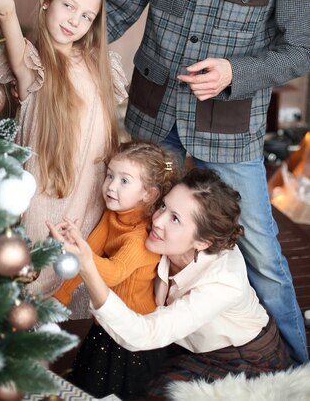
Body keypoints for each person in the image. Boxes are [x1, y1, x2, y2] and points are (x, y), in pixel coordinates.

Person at [104, 0, 310, 365]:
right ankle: (130, 363)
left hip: (231, 125)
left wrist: (235, 73)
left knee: (264, 254)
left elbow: (301, 48)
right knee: (138, 238)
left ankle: (298, 369)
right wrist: (50, 46)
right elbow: (117, 6)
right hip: (150, 115)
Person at [49, 168, 293, 399]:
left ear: (203, 242)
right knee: (112, 349)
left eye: (175, 219)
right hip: (183, 340)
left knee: (155, 391)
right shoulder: (165, 239)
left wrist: (87, 266)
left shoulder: (223, 283)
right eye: (163, 206)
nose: (157, 221)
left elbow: (144, 334)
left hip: (240, 358)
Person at [0, 0, 128, 317]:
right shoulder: (32, 62)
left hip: (88, 201)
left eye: (87, 16)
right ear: (47, 0)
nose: (75, 21)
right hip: (42, 199)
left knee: (71, 291)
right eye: (68, 6)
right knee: (27, 291)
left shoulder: (100, 65)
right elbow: (6, 8)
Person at [52, 140, 179, 399]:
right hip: (107, 320)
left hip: (133, 333)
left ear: (149, 194)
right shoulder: (113, 216)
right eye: (110, 175)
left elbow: (111, 273)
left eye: (124, 180)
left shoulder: (140, 237)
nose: (111, 185)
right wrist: (58, 299)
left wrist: (80, 252)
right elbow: (90, 253)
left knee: (118, 390)